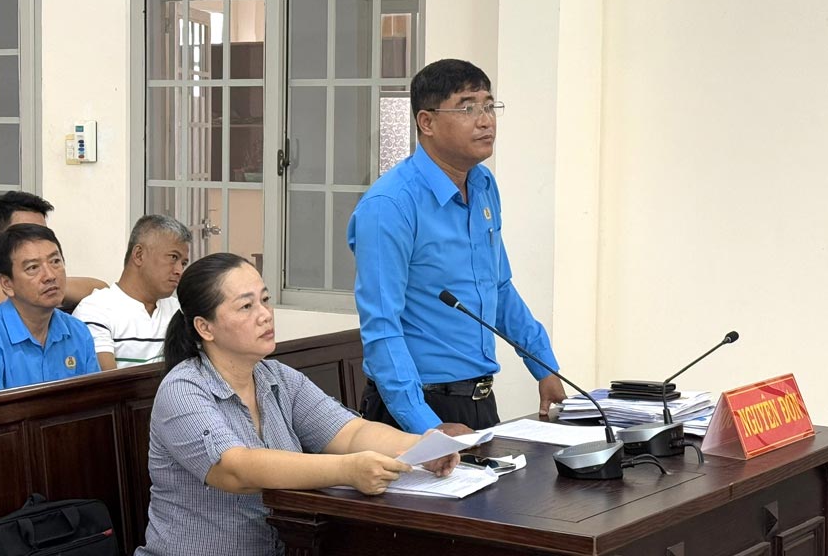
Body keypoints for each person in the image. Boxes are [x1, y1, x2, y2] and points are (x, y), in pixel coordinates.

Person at [134, 253, 458, 556]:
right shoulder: (183, 389)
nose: (265, 315)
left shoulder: (277, 377)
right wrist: (346, 470)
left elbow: (349, 433)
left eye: (265, 300)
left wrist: (421, 447)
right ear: (205, 327)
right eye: (246, 306)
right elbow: (236, 469)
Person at [347, 58, 568, 436]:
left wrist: (544, 366)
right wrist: (426, 427)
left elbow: (499, 288)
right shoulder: (390, 205)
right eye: (467, 108)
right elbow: (381, 326)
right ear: (426, 122)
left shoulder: (482, 185)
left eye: (489, 106)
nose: (485, 121)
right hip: (416, 407)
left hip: (479, 402)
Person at [0, 224, 101, 398]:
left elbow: (95, 404)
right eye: (33, 268)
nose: (50, 276)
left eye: (55, 261)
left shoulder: (78, 332)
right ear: (6, 284)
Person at [0, 191, 107, 318]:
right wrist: (53, 286)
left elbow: (102, 291)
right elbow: (20, 300)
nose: (36, 242)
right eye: (23, 234)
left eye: (42, 234)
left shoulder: (45, 276)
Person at [72, 215, 191, 370]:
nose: (179, 271)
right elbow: (108, 382)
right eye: (173, 257)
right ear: (139, 255)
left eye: (183, 263)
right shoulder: (95, 310)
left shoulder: (179, 310)